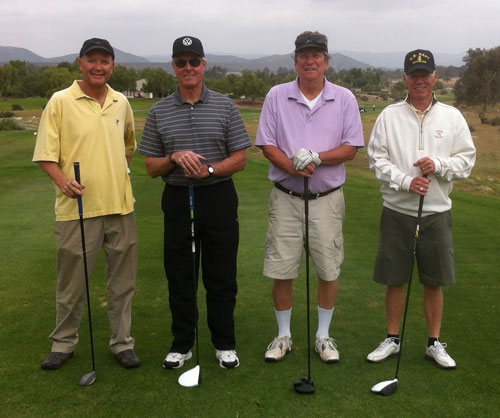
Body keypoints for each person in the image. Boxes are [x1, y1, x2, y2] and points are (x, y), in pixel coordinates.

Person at [138, 36, 252, 370]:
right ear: (173, 67)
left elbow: (241, 159)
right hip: (176, 198)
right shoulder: (159, 111)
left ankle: (224, 343)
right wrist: (174, 157)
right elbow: (150, 167)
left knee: (220, 275)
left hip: (218, 196)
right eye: (181, 62)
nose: (188, 68)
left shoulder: (225, 106)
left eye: (194, 61)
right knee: (180, 275)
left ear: (203, 65)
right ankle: (182, 344)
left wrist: (210, 168)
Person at [255, 31, 364, 363]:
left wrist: (317, 157)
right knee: (282, 268)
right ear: (296, 61)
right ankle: (284, 335)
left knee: (328, 269)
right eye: (304, 55)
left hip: (327, 198)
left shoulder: (344, 97)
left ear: (327, 61)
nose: (310, 60)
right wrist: (290, 165)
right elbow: (266, 143)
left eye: (317, 55)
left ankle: (323, 336)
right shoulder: (277, 95)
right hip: (286, 196)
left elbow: (351, 147)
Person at [33, 38, 140, 370]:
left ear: (113, 66)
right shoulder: (60, 101)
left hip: (121, 208)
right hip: (77, 210)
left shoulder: (121, 101)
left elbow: (128, 147)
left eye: (105, 61)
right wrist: (63, 181)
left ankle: (122, 343)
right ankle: (63, 343)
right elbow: (46, 156)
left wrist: (114, 172)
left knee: (122, 283)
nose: (98, 66)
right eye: (92, 60)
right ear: (80, 62)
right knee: (72, 284)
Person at [366, 49, 476, 369]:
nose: (419, 80)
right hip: (397, 209)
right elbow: (377, 159)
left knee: (434, 280)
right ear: (404, 78)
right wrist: (404, 181)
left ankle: (434, 343)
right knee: (395, 278)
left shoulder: (452, 117)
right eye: (413, 75)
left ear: (435, 77)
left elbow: (466, 160)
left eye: (425, 74)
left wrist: (438, 164)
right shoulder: (389, 115)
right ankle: (392, 338)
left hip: (436, 211)